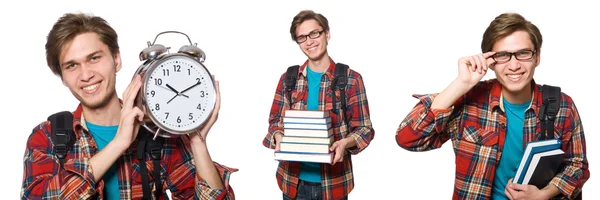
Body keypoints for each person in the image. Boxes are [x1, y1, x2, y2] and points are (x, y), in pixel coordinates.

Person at [20, 13, 237, 200]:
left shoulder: (157, 132)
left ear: (116, 59)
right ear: (63, 77)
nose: (86, 75)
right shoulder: (49, 136)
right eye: (72, 65)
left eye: (94, 58)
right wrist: (119, 143)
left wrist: (198, 142)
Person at [396, 12, 589, 200]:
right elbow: (408, 138)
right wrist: (461, 84)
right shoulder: (468, 100)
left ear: (537, 57)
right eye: (503, 55)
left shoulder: (563, 105)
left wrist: (543, 194)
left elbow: (577, 166)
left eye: (523, 53)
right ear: (490, 62)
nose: (514, 66)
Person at [262, 10, 375, 200]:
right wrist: (278, 135)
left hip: (334, 185)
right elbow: (275, 121)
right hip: (292, 183)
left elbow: (364, 129)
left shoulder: (351, 79)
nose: (309, 41)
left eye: (315, 33)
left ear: (327, 34)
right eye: (302, 37)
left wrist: (345, 143)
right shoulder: (288, 79)